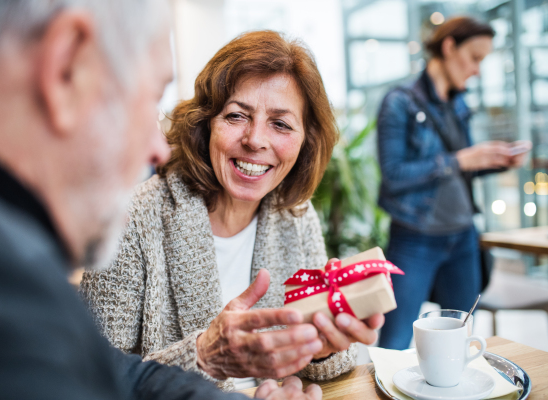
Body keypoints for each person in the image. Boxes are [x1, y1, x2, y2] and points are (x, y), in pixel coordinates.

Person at [0, 1, 322, 399]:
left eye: (281, 124)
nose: (159, 149)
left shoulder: (2, 254)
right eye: (149, 98)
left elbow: (117, 373)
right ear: (65, 69)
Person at [81, 30, 384, 391]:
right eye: (237, 116)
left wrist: (320, 350)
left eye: (281, 124)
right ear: (206, 122)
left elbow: (312, 367)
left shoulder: (298, 218)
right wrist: (203, 355)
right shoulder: (132, 217)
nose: (255, 139)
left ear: (305, 143)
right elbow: (87, 376)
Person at [376, 16, 529, 350]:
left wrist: (497, 162)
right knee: (395, 342)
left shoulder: (459, 104)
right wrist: (461, 159)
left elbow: (461, 171)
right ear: (448, 47)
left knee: (458, 340)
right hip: (415, 239)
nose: (477, 70)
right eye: (475, 58)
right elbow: (394, 175)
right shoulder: (399, 101)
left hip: (462, 238)